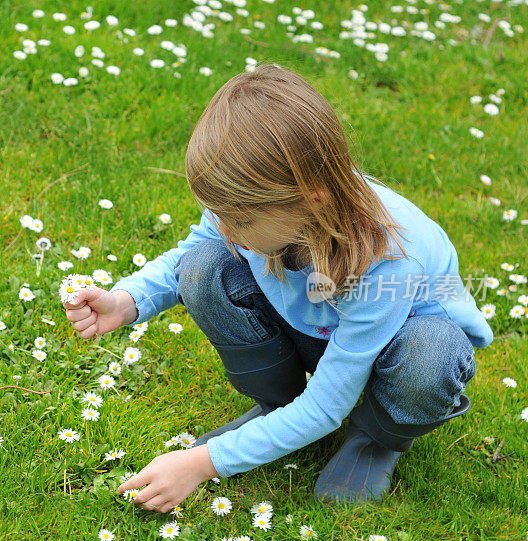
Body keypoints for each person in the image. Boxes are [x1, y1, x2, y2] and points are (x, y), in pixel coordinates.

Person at [62, 64, 493, 511]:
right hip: (316, 330)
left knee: (431, 354)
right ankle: (277, 405)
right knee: (203, 268)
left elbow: (328, 405)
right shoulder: (253, 212)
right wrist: (124, 302)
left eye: (241, 220)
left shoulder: (387, 262)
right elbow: (190, 255)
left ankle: (376, 437)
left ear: (312, 200)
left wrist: (204, 463)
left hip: (399, 351)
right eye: (219, 213)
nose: (227, 229)